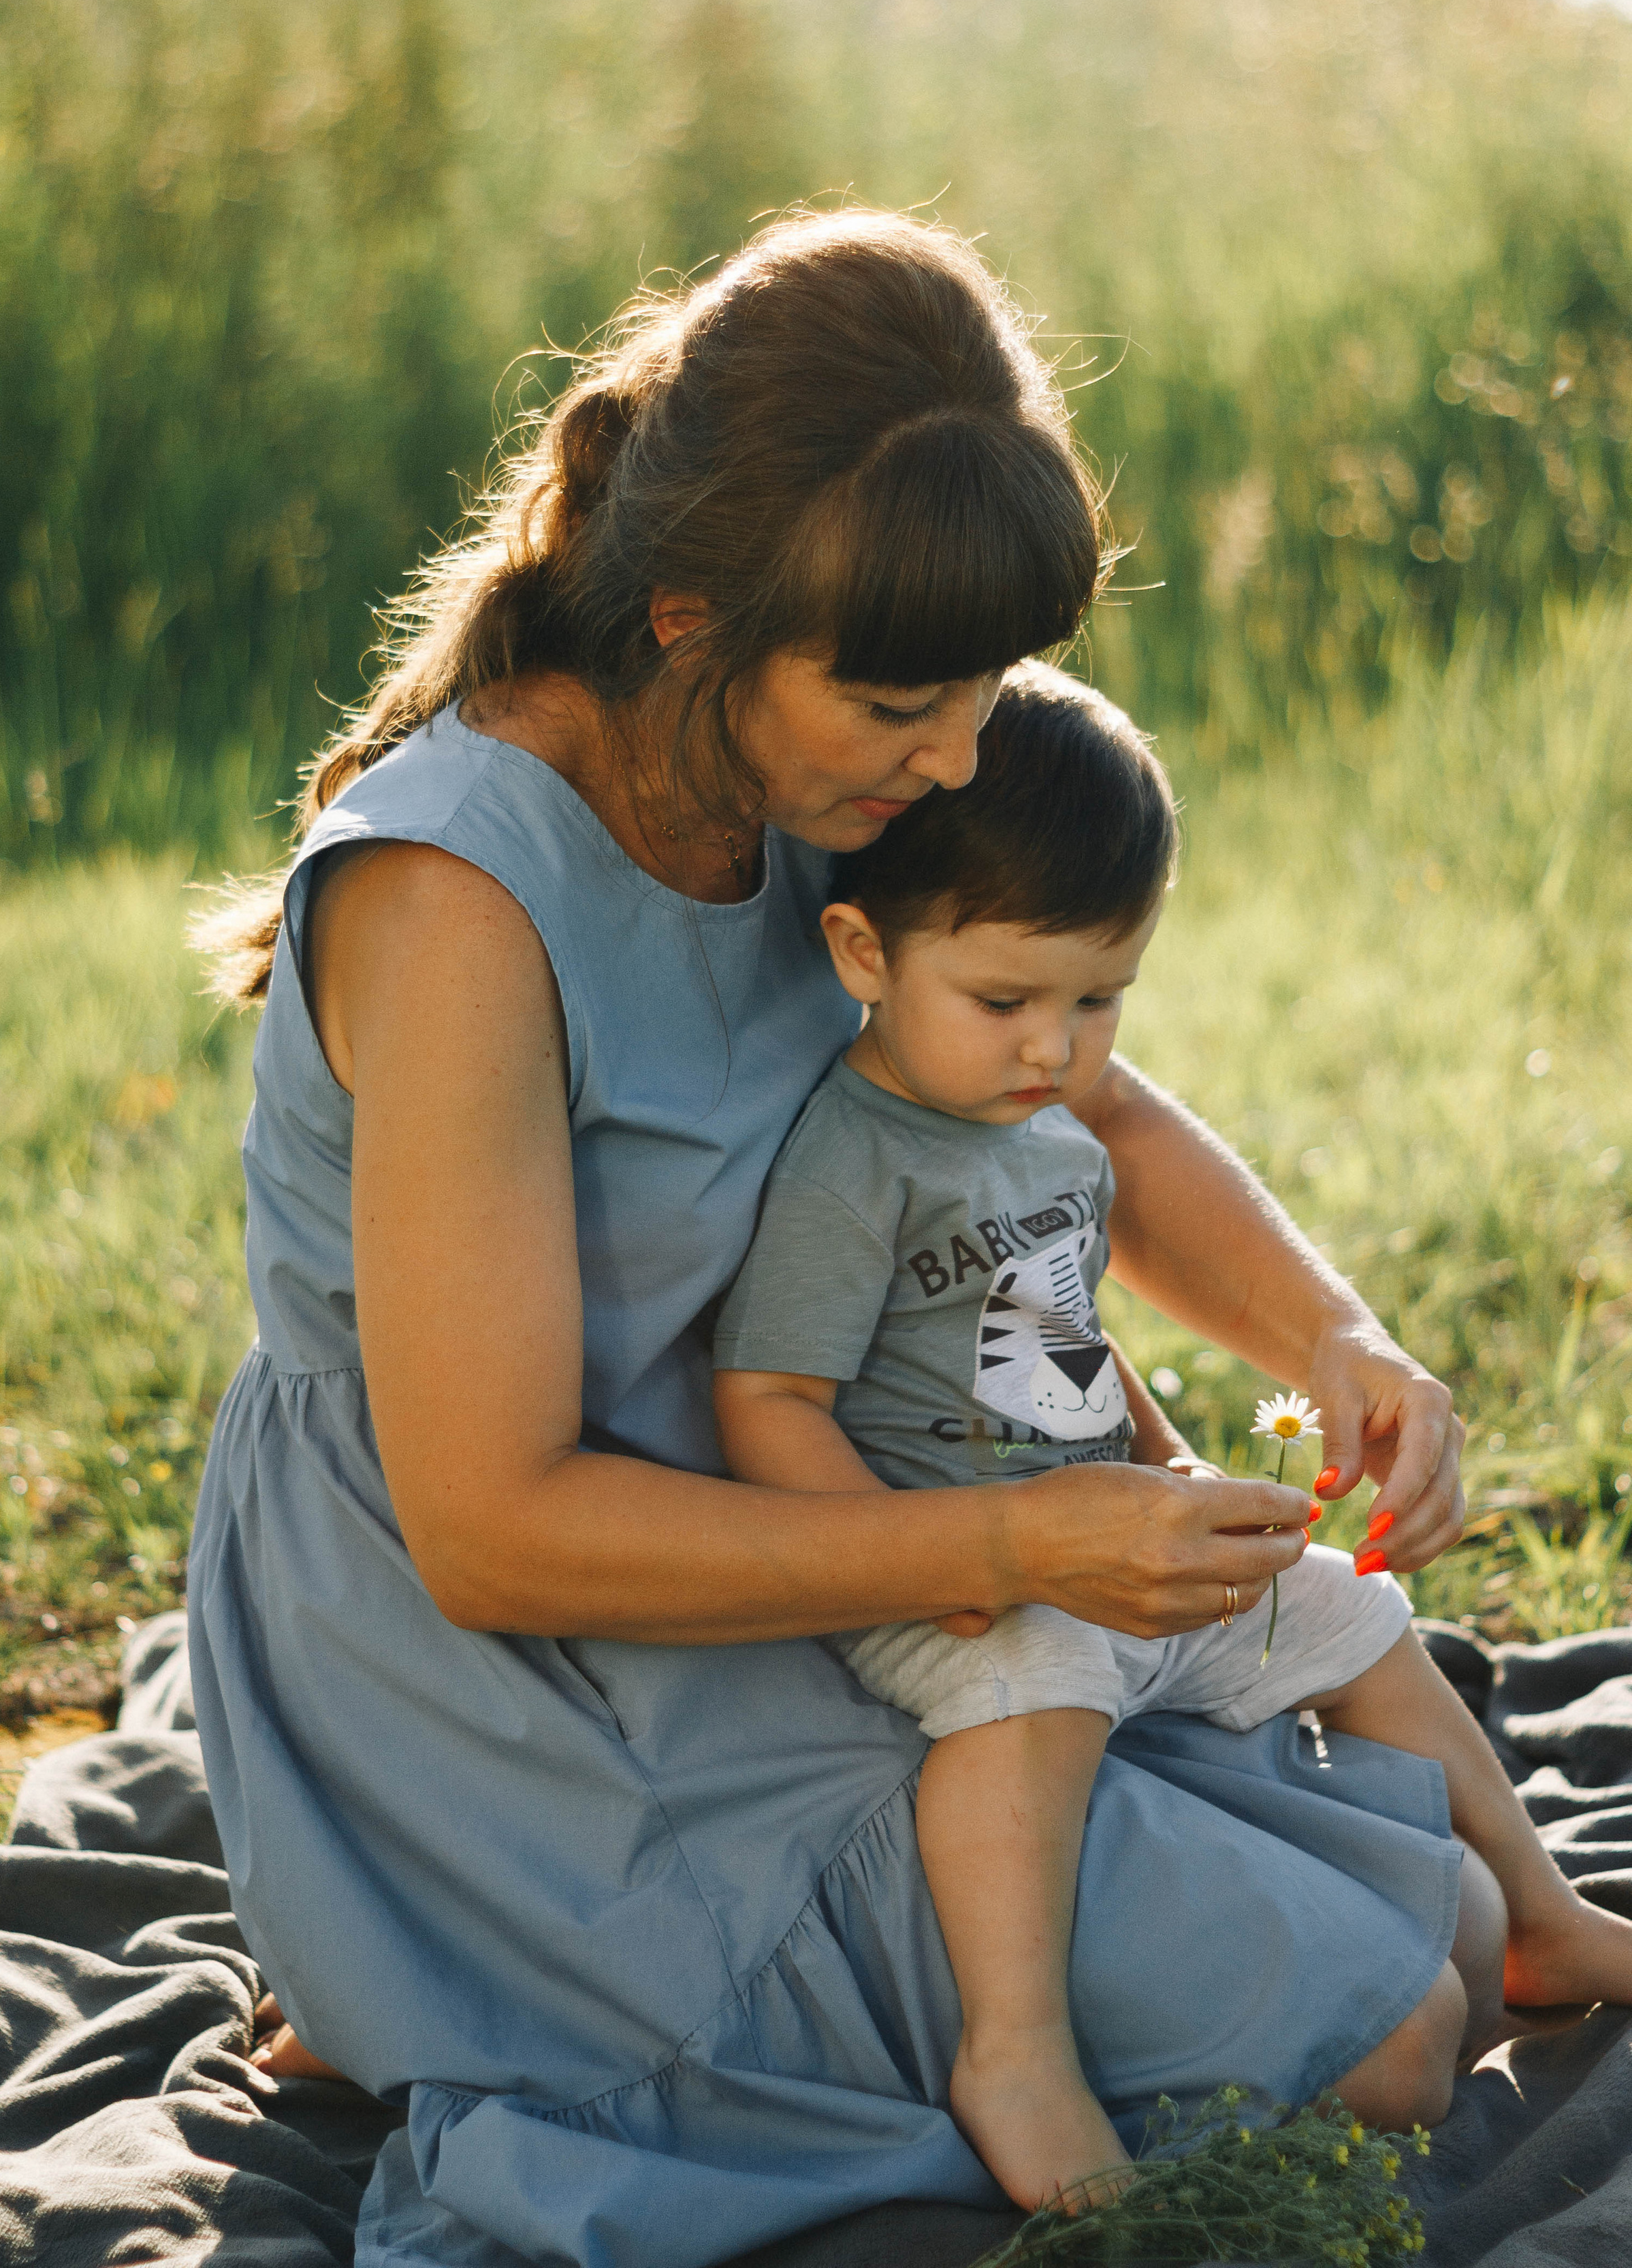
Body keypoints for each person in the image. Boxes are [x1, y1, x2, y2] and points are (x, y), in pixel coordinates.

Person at [191, 210, 1473, 2268]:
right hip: (516, 1649)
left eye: (988, 685)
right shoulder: (457, 907)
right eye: (909, 698)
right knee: (1388, 2033)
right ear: (690, 619)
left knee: (1452, 1928)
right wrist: (1012, 1550)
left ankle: (465, 1979)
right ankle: (437, 1944)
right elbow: (491, 1530)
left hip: (802, 1532)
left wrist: (1337, 1338)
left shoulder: (822, 776)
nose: (963, 754)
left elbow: (1075, 1100)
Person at [714, 664, 1632, 2218]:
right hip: (949, 1569)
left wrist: (1169, 1465)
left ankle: (1539, 1911)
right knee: (1036, 1684)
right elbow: (766, 1405)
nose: (1053, 1047)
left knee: (1346, 1606)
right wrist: (921, 1566)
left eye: (1097, 1001)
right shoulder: (849, 1165)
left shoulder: (1041, 1129)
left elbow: (1066, 1327)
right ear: (861, 950)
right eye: (1006, 1001)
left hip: (1092, 1531)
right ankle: (1015, 2046)